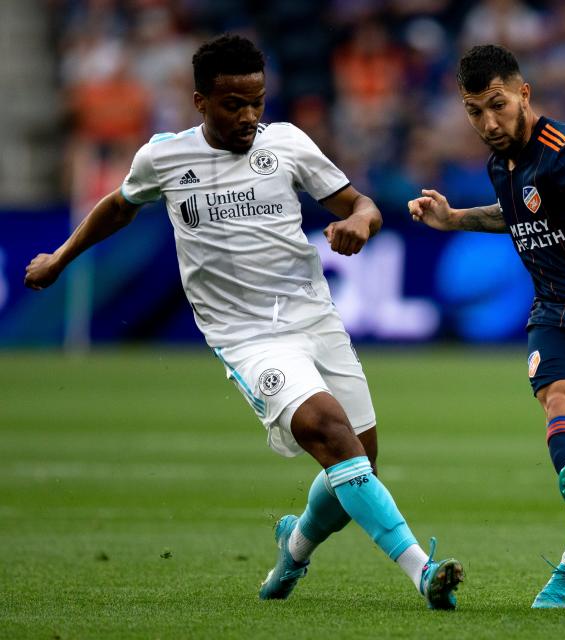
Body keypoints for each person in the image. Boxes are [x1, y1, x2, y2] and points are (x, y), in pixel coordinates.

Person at [25, 34, 463, 610]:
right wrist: (60, 257)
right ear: (201, 100)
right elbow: (119, 205)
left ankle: (294, 547)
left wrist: (361, 222)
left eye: (257, 101)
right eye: (234, 103)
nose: (249, 115)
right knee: (332, 434)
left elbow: (362, 204)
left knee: (359, 463)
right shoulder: (163, 157)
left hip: (314, 317)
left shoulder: (285, 144)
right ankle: (422, 570)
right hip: (247, 337)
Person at [408, 44, 565, 609]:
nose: (488, 122)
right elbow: (518, 211)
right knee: (561, 404)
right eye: (474, 111)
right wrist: (454, 219)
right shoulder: (499, 163)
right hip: (552, 308)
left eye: (497, 105)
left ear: (524, 93)